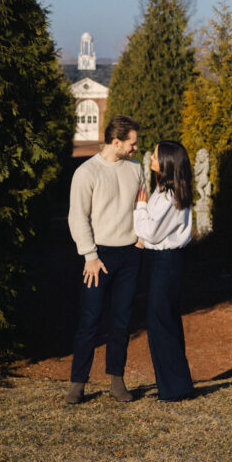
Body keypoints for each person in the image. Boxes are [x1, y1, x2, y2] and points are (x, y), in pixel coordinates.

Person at [66, 114, 145, 405]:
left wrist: (140, 240)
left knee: (121, 321)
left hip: (129, 255)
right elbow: (78, 217)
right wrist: (90, 256)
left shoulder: (135, 168)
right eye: (132, 144)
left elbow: (142, 204)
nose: (135, 149)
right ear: (116, 142)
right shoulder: (87, 173)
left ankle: (117, 382)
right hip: (98, 257)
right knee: (90, 320)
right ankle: (77, 384)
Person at [134, 140, 195, 402]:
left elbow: (150, 231)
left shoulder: (171, 198)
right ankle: (173, 385)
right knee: (162, 322)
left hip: (168, 262)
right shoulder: (164, 193)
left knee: (162, 323)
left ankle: (175, 388)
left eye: (156, 156)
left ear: (168, 163)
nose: (151, 160)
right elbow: (152, 235)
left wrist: (139, 207)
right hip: (162, 261)